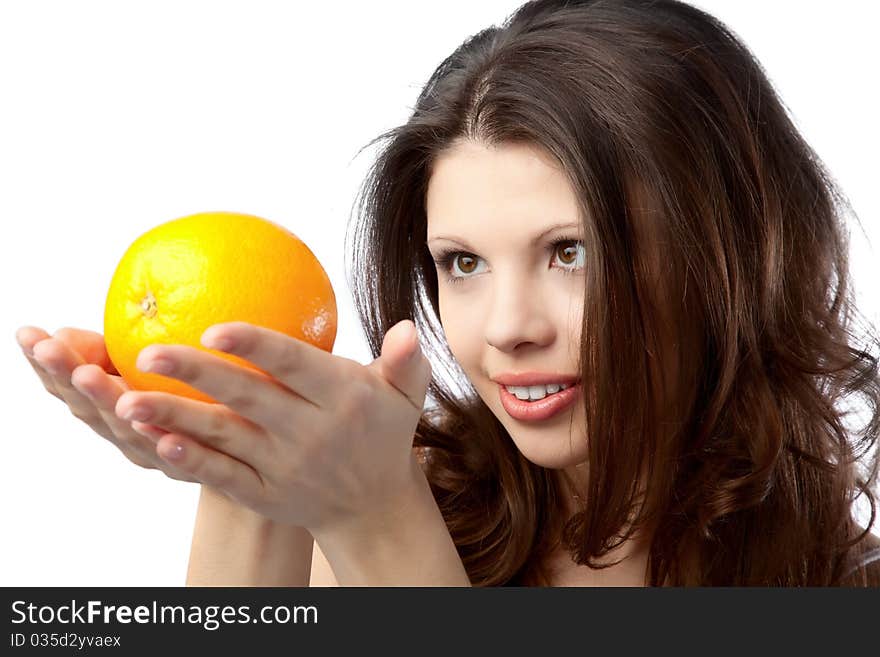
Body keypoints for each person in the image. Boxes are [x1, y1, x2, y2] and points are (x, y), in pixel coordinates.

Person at [15, 0, 880, 586]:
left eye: (569, 252)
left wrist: (376, 519)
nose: (506, 329)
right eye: (463, 263)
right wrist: (246, 469)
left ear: (726, 252)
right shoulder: (371, 508)